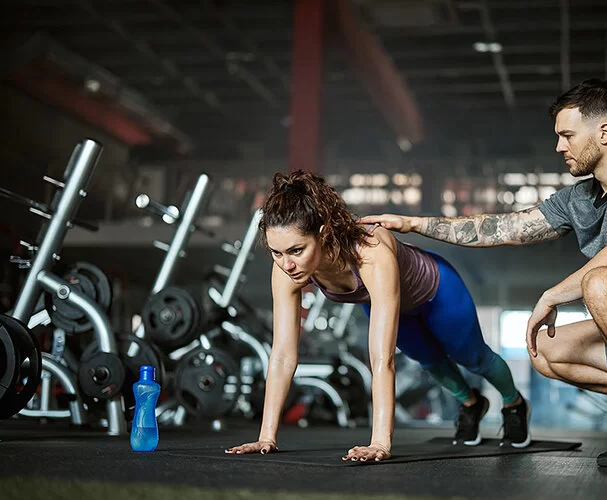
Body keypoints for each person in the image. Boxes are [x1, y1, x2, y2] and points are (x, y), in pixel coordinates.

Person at [361, 78, 607, 468]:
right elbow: (504, 228)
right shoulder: (579, 199)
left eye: (567, 135)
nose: (559, 147)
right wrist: (413, 224)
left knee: (604, 281)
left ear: (603, 131)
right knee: (544, 350)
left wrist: (551, 295)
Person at [225, 170, 530, 462]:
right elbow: (281, 356)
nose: (287, 264)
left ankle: (514, 404)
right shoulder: (285, 270)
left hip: (438, 292)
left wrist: (380, 443)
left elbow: (382, 359)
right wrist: (266, 437)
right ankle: (472, 404)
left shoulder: (369, 252)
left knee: (473, 358)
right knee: (432, 362)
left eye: (295, 250)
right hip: (393, 306)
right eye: (277, 253)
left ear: (323, 232)